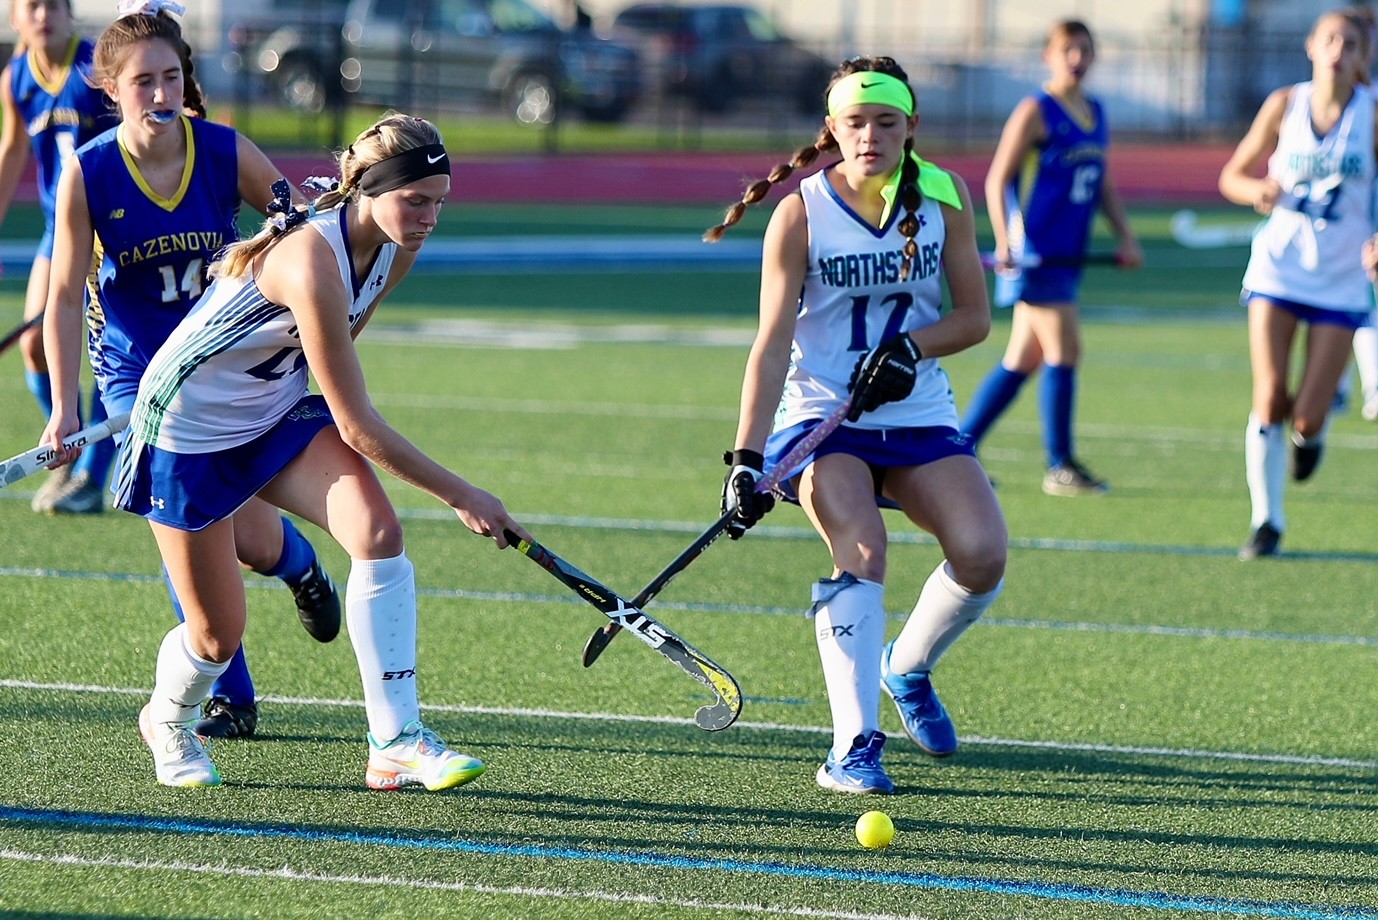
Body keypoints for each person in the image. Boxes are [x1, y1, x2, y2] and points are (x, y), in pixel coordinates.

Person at [45, 108, 527, 790]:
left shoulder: (396, 247)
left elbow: (332, 346)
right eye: (416, 201)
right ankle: (166, 718)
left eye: (439, 202)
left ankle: (395, 741)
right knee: (217, 636)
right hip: (185, 431)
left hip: (272, 413)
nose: (429, 218)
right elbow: (356, 424)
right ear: (368, 189)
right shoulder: (309, 260)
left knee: (378, 533)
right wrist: (462, 494)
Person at [39, 1, 341, 742]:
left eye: (170, 77)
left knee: (253, 541)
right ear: (111, 89)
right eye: (143, 81)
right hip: (137, 377)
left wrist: (292, 238)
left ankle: (299, 567)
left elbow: (300, 229)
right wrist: (63, 409)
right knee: (184, 527)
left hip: (222, 364)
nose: (160, 93)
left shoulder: (224, 151)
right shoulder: (90, 173)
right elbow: (63, 296)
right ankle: (230, 697)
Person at [708, 55, 1007, 794]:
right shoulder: (800, 212)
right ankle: (852, 747)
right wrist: (746, 459)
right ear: (832, 129)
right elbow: (771, 343)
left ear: (911, 127)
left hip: (916, 411)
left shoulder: (945, 197)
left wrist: (912, 348)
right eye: (855, 123)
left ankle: (906, 668)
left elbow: (974, 318)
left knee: (982, 553)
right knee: (863, 548)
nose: (870, 135)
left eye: (885, 122)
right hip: (823, 417)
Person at [1217, 8, 1377, 560]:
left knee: (1307, 415)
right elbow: (1232, 176)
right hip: (1278, 268)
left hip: (1341, 278)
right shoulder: (1285, 104)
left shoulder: (1371, 114)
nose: (1338, 50)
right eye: (1329, 39)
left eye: (1350, 43)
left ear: (1363, 57)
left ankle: (1311, 436)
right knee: (1268, 395)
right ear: (1311, 46)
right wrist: (1256, 190)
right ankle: (1267, 523)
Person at [959, 19, 1143, 496]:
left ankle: (957, 451)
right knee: (1065, 351)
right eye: (1068, 50)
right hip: (1036, 254)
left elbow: (1102, 182)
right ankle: (1059, 464)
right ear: (1049, 56)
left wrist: (1125, 236)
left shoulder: (1096, 111)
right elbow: (998, 179)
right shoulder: (1035, 110)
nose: (1077, 58)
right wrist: (1006, 240)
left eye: (1085, 49)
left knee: (1023, 359)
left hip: (1068, 255)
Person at [0, 0, 118, 513]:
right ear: (15, 19)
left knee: (112, 351)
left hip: (114, 227)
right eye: (32, 5)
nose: (44, 14)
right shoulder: (15, 80)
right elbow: (12, 150)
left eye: (54, 4)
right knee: (34, 344)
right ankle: (71, 444)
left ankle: (92, 476)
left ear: (70, 13)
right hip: (61, 228)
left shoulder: (95, 69)